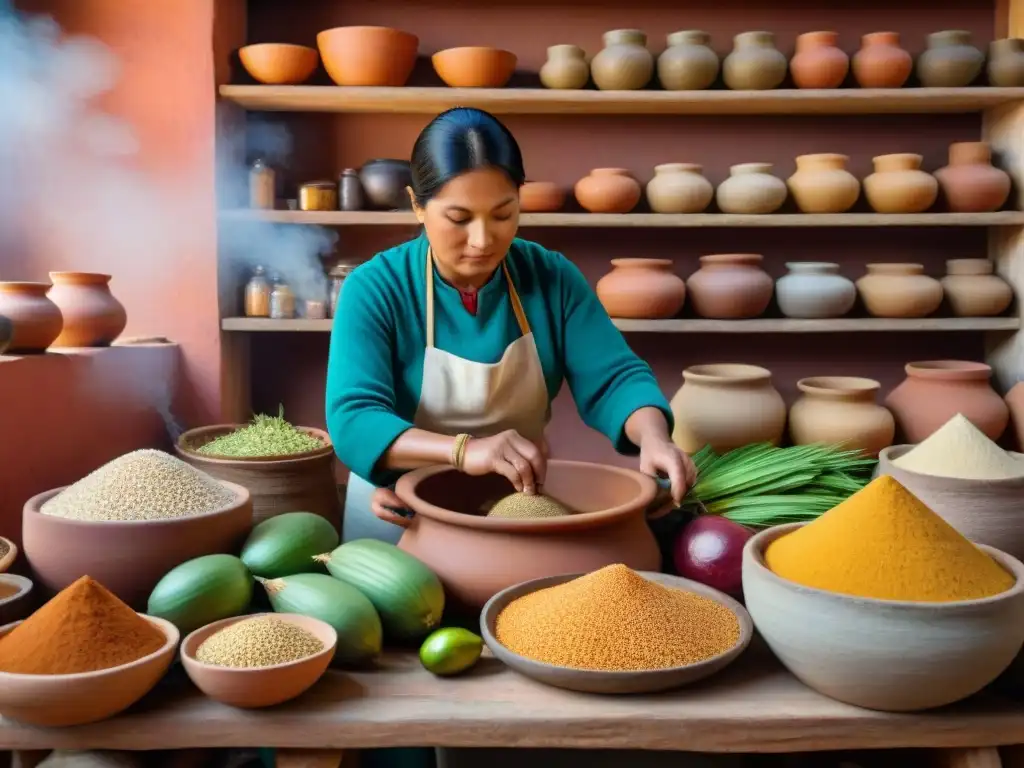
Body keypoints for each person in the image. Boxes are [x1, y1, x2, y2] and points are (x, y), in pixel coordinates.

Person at [326, 106, 696, 544]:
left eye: (503, 214)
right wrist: (466, 450)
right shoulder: (375, 288)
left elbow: (615, 377)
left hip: (518, 506)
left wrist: (654, 438)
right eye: (459, 219)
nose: (483, 240)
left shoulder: (551, 277)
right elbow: (354, 419)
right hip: (400, 510)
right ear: (417, 206)